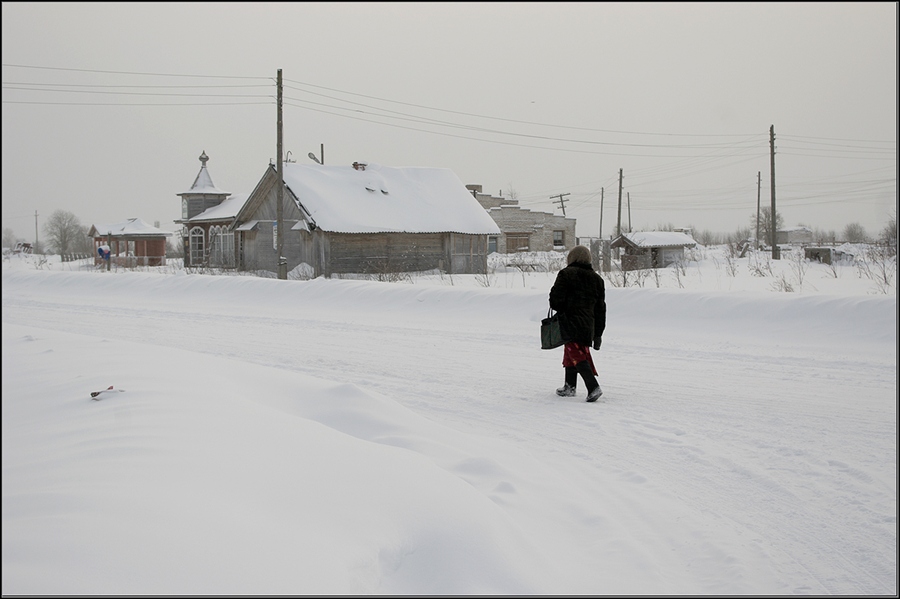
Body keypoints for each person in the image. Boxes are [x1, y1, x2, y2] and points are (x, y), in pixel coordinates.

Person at [549, 245, 606, 402]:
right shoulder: (597, 279)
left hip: (569, 321)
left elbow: (555, 302)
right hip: (588, 324)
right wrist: (598, 334)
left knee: (575, 352)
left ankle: (593, 387)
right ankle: (569, 386)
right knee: (571, 350)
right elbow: (601, 309)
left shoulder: (566, 274)